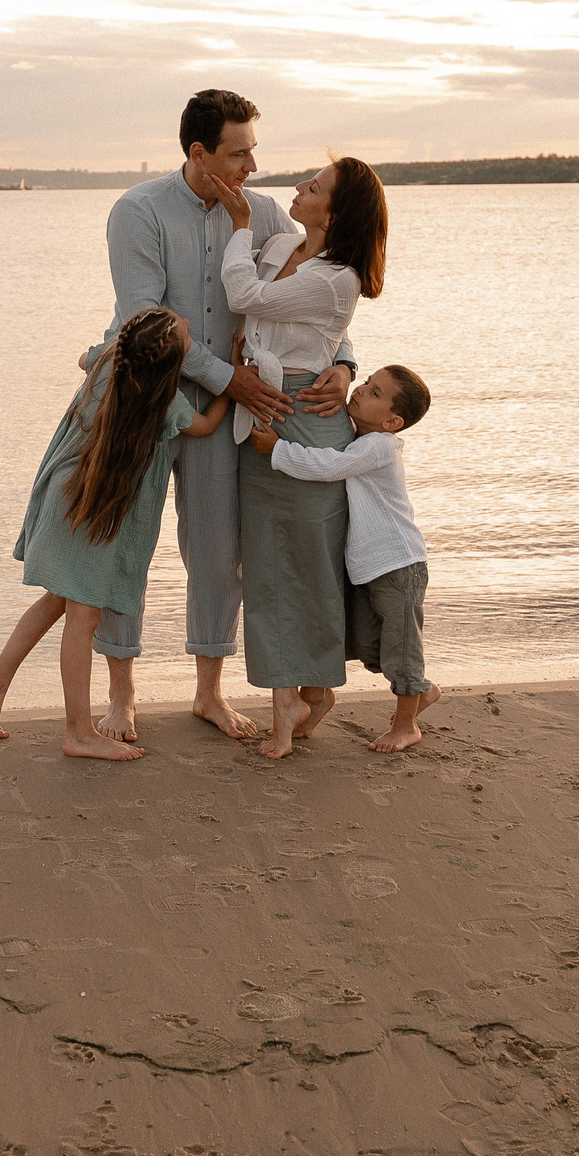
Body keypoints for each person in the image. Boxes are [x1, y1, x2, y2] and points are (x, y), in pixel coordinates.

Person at [89, 91, 355, 743]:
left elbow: (316, 295)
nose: (252, 166)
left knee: (218, 552)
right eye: (238, 153)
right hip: (143, 406)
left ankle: (208, 692)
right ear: (199, 152)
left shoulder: (264, 215)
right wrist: (228, 378)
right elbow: (142, 319)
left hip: (223, 414)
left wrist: (344, 363)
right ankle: (121, 696)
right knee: (127, 548)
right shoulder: (138, 211)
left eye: (253, 151)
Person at [0, 307, 233, 761]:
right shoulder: (165, 402)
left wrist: (110, 349)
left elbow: (81, 358)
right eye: (183, 330)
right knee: (83, 617)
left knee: (59, 598)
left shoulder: (107, 360)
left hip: (66, 495)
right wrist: (231, 381)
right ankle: (78, 732)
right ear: (169, 366)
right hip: (94, 509)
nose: (186, 320)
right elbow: (207, 425)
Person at [199, 157, 390, 760]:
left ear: (336, 212)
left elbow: (245, 294)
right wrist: (341, 358)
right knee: (267, 564)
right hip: (264, 409)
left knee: (306, 564)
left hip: (305, 421)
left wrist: (235, 225)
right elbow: (261, 315)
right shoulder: (283, 239)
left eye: (316, 186)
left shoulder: (338, 276)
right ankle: (299, 692)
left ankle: (305, 693)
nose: (300, 187)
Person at [248, 363, 435, 752]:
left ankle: (406, 724)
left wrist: (278, 450)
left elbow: (329, 467)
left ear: (393, 422)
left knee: (401, 647)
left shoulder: (378, 447)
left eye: (376, 393)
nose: (362, 390)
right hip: (369, 568)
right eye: (368, 383)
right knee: (366, 646)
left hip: (398, 564)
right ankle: (422, 688)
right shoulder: (358, 439)